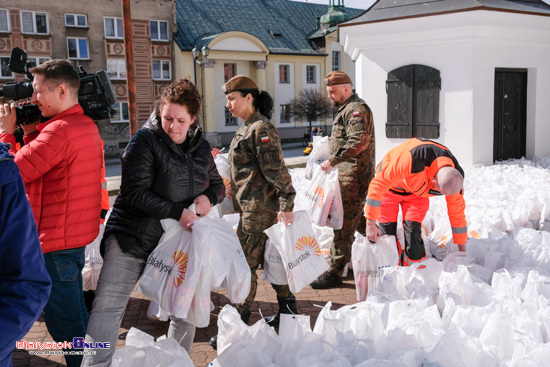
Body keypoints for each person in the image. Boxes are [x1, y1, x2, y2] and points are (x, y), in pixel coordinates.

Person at [82, 78, 225, 366]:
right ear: (159, 113)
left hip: (177, 242)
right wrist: (177, 211)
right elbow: (134, 192)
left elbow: (219, 184)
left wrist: (209, 199)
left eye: (180, 120)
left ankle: (176, 361)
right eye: (167, 118)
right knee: (107, 307)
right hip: (131, 237)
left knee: (183, 309)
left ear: (193, 119)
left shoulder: (200, 146)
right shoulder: (144, 140)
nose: (173, 126)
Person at [0, 59, 103, 367]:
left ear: (60, 90)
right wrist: (30, 131)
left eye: (36, 92)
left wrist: (6, 134)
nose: (32, 100)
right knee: (76, 317)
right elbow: (44, 167)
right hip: (71, 238)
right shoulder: (82, 124)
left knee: (66, 325)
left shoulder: (58, 131)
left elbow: (12, 173)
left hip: (54, 244)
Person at [209, 75, 297, 349]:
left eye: (232, 98)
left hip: (258, 212)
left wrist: (287, 203)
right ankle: (288, 314)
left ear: (249, 97)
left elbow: (276, 170)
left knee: (245, 268)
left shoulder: (260, 129)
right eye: (227, 99)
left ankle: (237, 326)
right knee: (273, 261)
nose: (228, 104)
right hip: (251, 208)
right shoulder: (248, 128)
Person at [310, 71, 375, 289]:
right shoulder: (347, 108)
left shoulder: (355, 109)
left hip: (353, 175)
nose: (330, 96)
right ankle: (384, 238)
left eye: (333, 92)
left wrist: (333, 159)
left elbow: (359, 141)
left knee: (343, 222)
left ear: (346, 89)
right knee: (353, 217)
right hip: (348, 173)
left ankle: (336, 271)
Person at [365, 138, 467, 265]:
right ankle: (391, 268)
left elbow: (457, 213)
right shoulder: (412, 160)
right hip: (389, 188)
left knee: (413, 231)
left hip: (416, 192)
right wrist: (370, 223)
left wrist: (462, 251)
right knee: (387, 232)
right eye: (437, 190)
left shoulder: (453, 179)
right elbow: (378, 184)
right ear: (434, 180)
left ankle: (415, 269)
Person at [0, 142, 51, 367]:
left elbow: (26, 166)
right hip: (43, 235)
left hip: (50, 238)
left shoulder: (57, 133)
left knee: (66, 319)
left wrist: (9, 134)